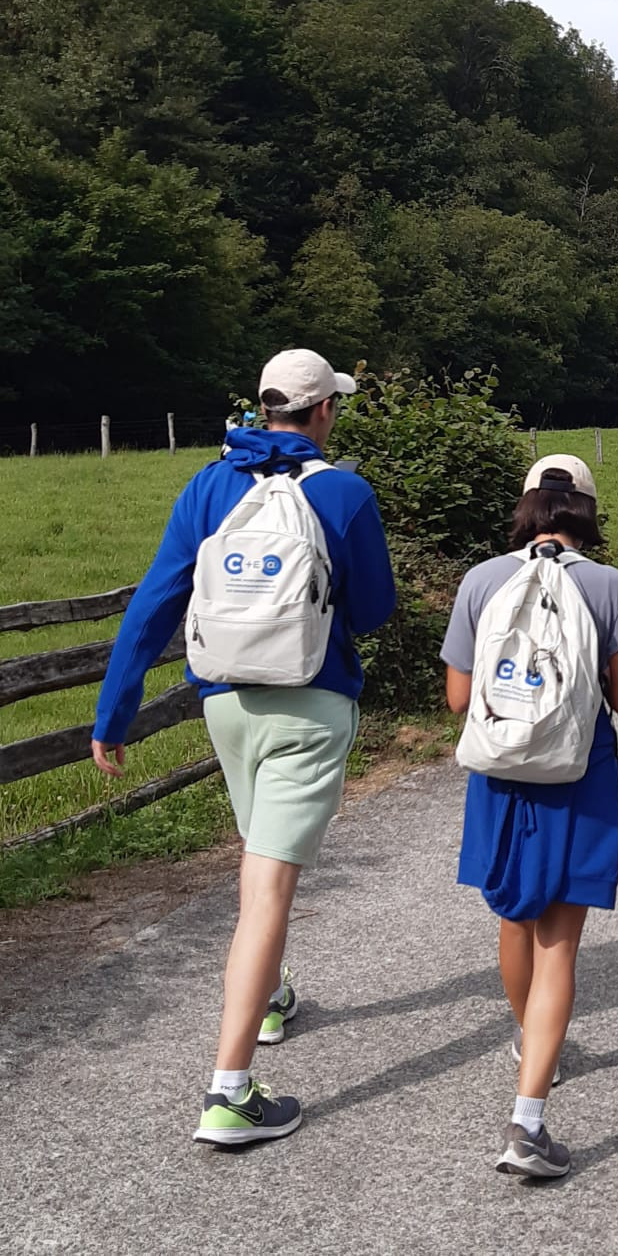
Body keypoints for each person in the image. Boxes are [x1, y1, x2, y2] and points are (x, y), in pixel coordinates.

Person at [91, 349, 396, 1146]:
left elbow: (158, 599)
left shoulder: (208, 484)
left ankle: (269, 997)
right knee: (269, 887)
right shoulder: (344, 490)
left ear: (265, 409)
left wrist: (112, 714)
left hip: (226, 704)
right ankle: (230, 1092)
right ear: (324, 410)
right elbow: (373, 608)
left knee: (256, 862)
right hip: (310, 706)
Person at [442, 455, 618, 1181]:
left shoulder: (480, 580)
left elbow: (459, 699)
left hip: (500, 776)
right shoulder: (610, 586)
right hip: (578, 775)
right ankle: (527, 1122)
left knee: (513, 919)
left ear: (528, 507)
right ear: (588, 512)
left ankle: (530, 1042)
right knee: (559, 943)